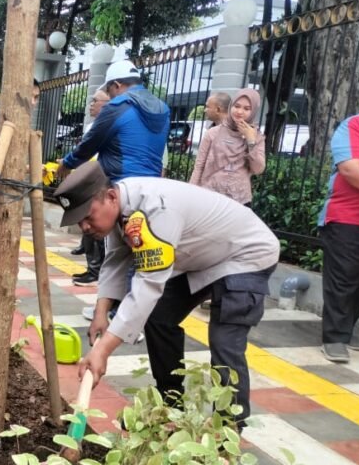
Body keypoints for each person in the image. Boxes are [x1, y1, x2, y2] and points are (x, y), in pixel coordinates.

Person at [58, 161, 278, 429]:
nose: (85, 227)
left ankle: (230, 428)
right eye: (78, 221)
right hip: (207, 258)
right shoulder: (122, 209)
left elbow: (148, 286)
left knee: (224, 340)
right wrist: (101, 314)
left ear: (111, 197)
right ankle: (170, 405)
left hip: (247, 255)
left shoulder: (155, 209)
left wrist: (103, 350)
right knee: (158, 316)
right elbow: (117, 258)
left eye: (88, 216)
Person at [56, 60, 170, 182]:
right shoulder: (163, 109)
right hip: (151, 187)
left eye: (109, 91)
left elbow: (90, 144)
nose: (109, 97)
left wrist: (67, 163)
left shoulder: (117, 107)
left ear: (117, 85)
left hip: (120, 187)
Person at [317, 107, 359, 364]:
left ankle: (346, 325)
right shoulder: (354, 125)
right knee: (343, 278)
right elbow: (350, 170)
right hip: (347, 217)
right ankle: (335, 336)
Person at [189, 88, 265, 207]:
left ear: (253, 111)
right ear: (231, 107)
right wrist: (191, 193)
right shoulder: (213, 133)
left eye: (246, 108)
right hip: (209, 196)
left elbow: (258, 169)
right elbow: (199, 166)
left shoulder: (257, 137)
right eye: (237, 106)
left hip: (239, 199)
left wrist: (251, 140)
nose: (239, 111)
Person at [70, 88, 112, 285]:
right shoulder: (91, 126)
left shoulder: (112, 123)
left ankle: (97, 270)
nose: (91, 104)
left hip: (103, 181)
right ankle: (92, 267)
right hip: (89, 179)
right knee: (86, 226)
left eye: (95, 101)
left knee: (97, 227)